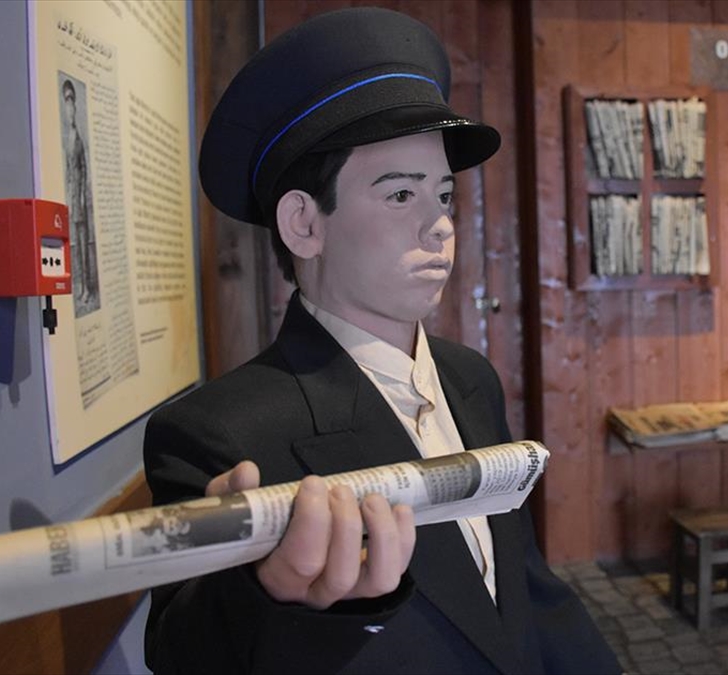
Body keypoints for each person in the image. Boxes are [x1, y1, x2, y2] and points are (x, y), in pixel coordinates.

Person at [142, 7, 620, 674]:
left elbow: (523, 590)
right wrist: (268, 593)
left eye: (444, 196)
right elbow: (185, 657)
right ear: (305, 223)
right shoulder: (219, 434)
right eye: (400, 195)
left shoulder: (469, 378)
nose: (440, 226)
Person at [60, 77, 96, 308]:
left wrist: (81, 195)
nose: (69, 112)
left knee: (83, 244)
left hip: (80, 200)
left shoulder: (79, 140)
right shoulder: (67, 140)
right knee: (76, 242)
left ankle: (87, 287)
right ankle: (82, 285)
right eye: (67, 108)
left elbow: (84, 169)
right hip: (73, 199)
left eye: (71, 107)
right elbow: (68, 170)